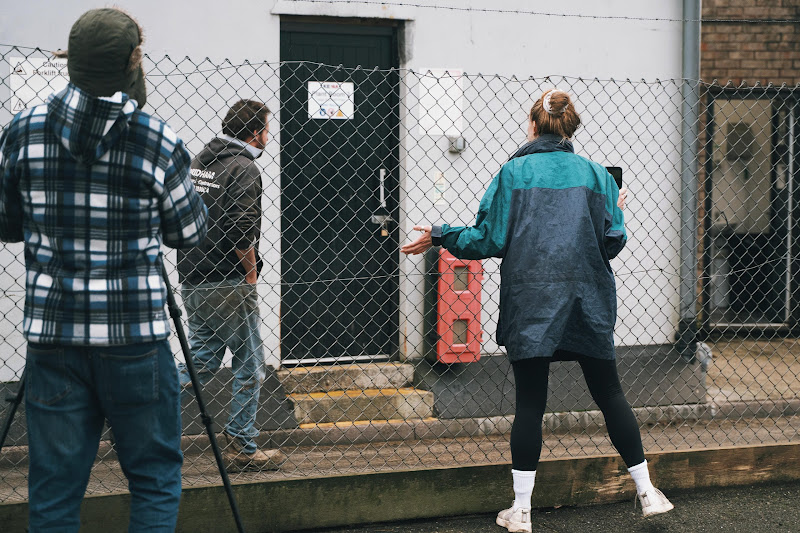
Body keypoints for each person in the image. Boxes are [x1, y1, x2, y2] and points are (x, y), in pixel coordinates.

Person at [401, 89, 672, 533]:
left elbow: (487, 240)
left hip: (531, 303)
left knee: (531, 403)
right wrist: (617, 211)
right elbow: (613, 241)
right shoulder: (597, 176)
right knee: (610, 395)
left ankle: (522, 511)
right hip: (588, 301)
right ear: (572, 127)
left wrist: (439, 234)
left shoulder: (513, 173)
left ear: (532, 125)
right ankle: (646, 492)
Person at [0, 8, 208, 532]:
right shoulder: (157, 139)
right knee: (155, 478)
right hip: (135, 335)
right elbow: (188, 234)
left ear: (72, 59)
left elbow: (5, 224)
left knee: (53, 487)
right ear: (132, 61)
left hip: (55, 336)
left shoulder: (22, 132)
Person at [177, 100, 285, 472]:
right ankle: (242, 442)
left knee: (202, 361)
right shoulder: (244, 168)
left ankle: (139, 406)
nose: (269, 137)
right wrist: (251, 271)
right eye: (267, 130)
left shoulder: (197, 163)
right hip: (227, 280)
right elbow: (241, 229)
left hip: (192, 277)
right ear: (254, 133)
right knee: (251, 364)